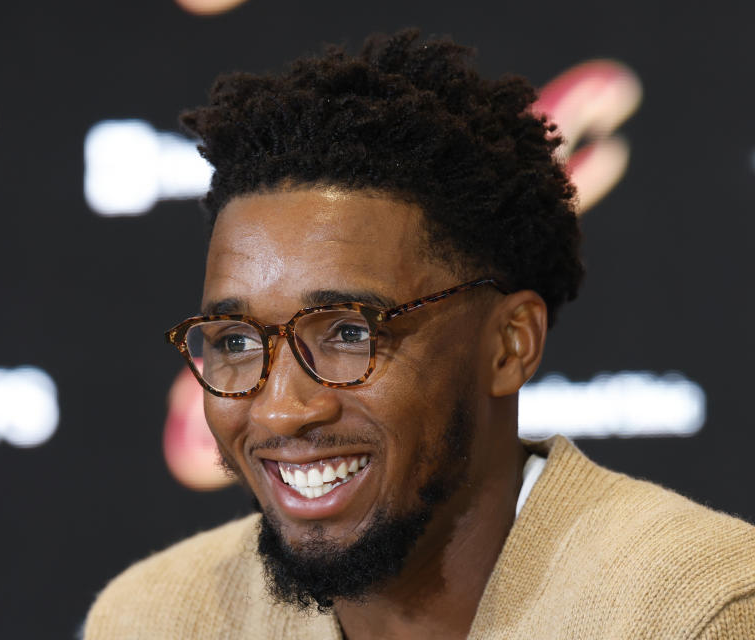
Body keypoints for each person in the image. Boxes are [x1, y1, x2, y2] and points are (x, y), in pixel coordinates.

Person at [84, 30, 755, 639]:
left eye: (348, 331)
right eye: (234, 341)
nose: (282, 407)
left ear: (509, 343)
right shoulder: (157, 617)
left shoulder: (697, 611)